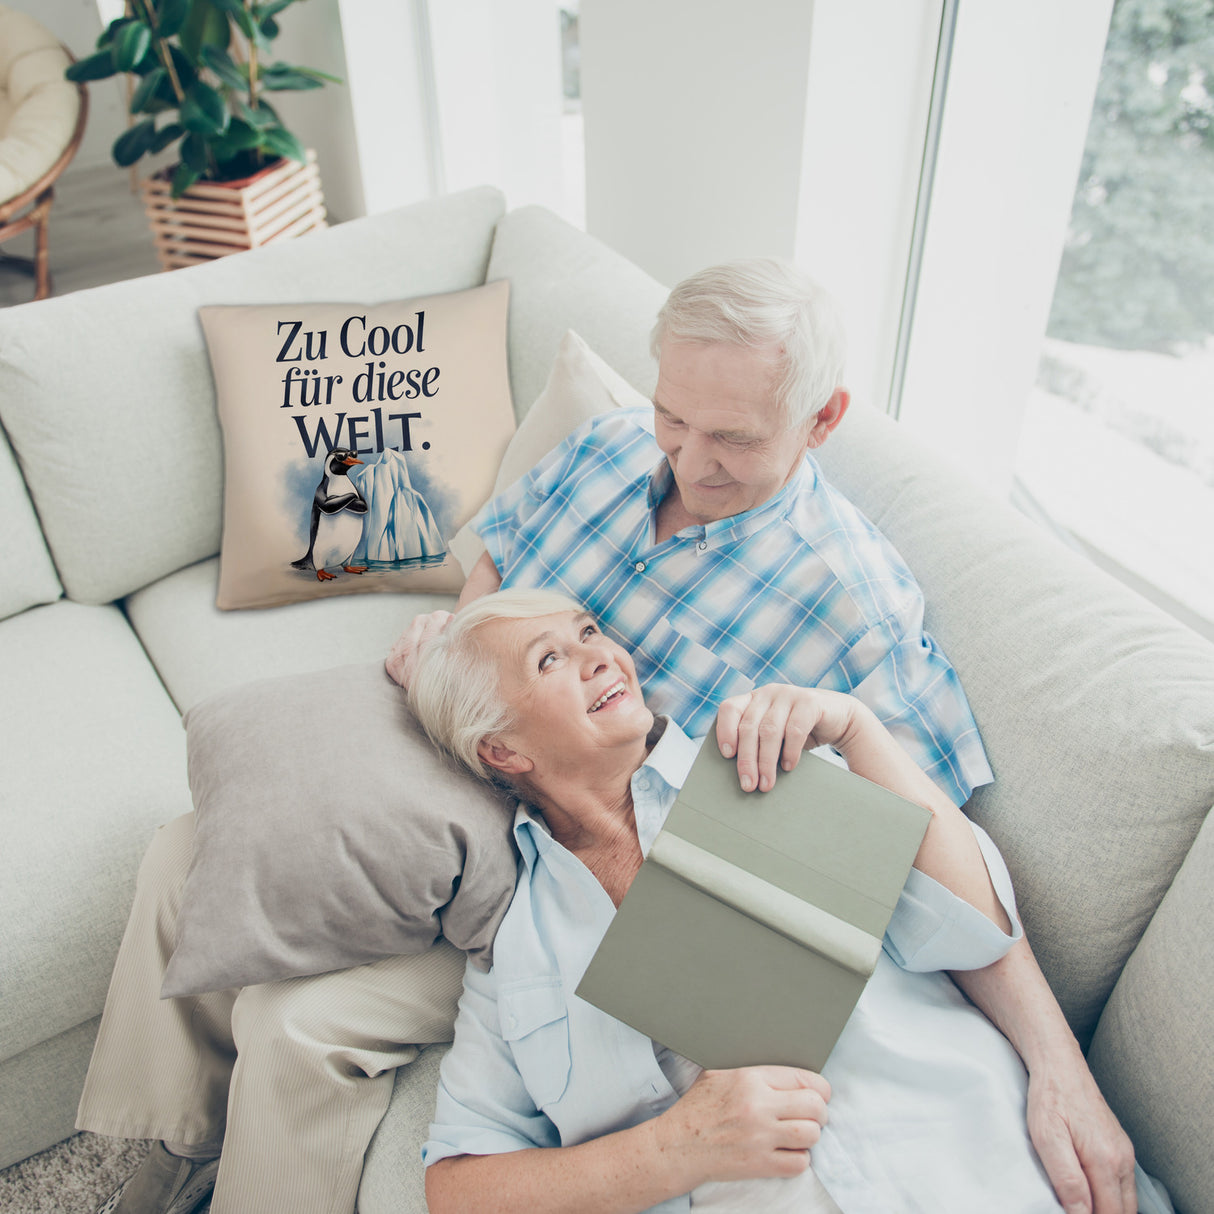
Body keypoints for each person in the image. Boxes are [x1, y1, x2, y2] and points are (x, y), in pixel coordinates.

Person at [389, 259, 1136, 1213]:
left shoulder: (833, 657)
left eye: (732, 438)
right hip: (491, 834)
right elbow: (497, 556)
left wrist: (1058, 1069)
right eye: (674, 418)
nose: (689, 462)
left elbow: (944, 886)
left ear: (822, 420)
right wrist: (461, 655)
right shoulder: (607, 450)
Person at [407, 588, 1157, 1214]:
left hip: (988, 1166)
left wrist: (858, 730)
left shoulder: (761, 761)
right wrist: (672, 1150)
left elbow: (972, 929)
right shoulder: (516, 952)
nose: (601, 654)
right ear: (502, 750)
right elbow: (457, 1186)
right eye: (550, 659)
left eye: (589, 632)